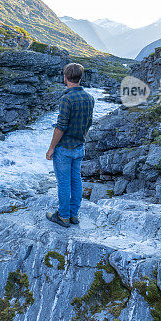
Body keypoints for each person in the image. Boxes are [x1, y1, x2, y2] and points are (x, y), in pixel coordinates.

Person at [45, 62, 94, 227]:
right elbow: (88, 124)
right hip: (79, 147)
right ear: (80, 78)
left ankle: (63, 216)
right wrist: (81, 138)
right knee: (76, 180)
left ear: (65, 78)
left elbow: (60, 127)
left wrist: (51, 148)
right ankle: (74, 214)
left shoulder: (66, 99)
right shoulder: (89, 98)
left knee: (64, 182)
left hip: (64, 149)